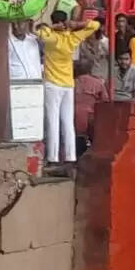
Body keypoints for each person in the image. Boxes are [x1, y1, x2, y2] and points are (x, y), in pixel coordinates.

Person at [36, 11, 100, 164]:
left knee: (53, 122)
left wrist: (53, 27)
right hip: (68, 84)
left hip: (52, 84)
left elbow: (39, 32)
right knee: (68, 123)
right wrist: (78, 24)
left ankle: (53, 157)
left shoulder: (51, 38)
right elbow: (95, 25)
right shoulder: (72, 38)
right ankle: (71, 157)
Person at [73, 58, 107, 154]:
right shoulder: (98, 83)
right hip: (92, 119)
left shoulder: (72, 83)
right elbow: (105, 101)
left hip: (73, 119)